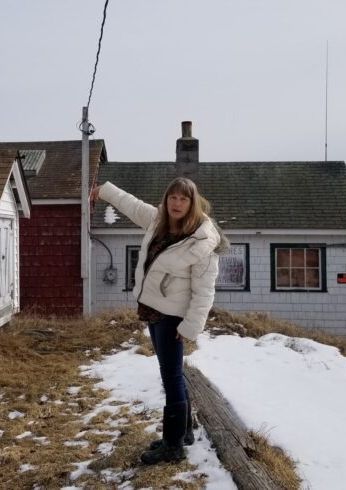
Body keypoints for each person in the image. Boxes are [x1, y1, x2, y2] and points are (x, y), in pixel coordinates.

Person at [90, 177, 227, 464]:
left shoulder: (202, 241)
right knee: (173, 373)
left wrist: (190, 326)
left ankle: (173, 445)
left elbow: (204, 290)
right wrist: (104, 191)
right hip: (152, 309)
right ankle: (184, 432)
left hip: (172, 316)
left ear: (194, 203)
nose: (177, 203)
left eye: (184, 199)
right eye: (172, 198)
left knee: (172, 376)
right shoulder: (158, 221)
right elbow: (132, 205)